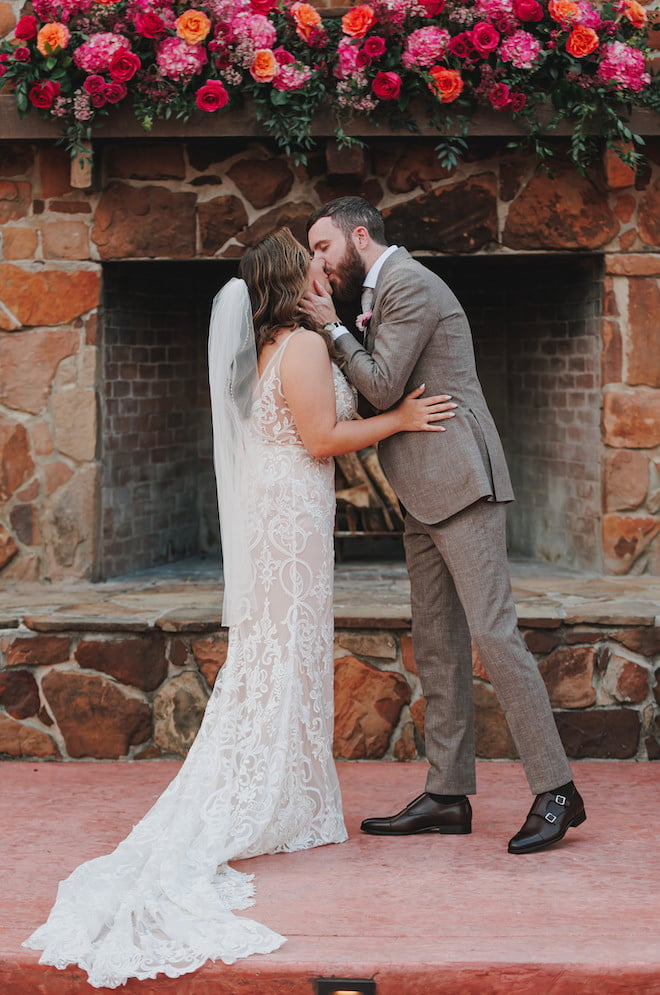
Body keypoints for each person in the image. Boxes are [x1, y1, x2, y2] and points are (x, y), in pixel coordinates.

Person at [23, 228, 456, 989]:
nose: (322, 267)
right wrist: (400, 419)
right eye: (311, 263)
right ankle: (280, 799)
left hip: (278, 511)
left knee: (276, 649)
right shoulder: (305, 349)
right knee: (287, 648)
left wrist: (331, 324)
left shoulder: (272, 346)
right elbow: (322, 437)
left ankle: (291, 794)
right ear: (291, 280)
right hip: (293, 513)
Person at [303, 197, 586, 855]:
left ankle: (557, 790)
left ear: (359, 236)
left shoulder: (408, 285)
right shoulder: (382, 289)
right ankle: (447, 793)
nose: (318, 260)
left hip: (462, 482)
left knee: (495, 631)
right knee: (435, 639)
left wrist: (329, 327)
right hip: (420, 488)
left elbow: (380, 386)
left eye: (322, 246)